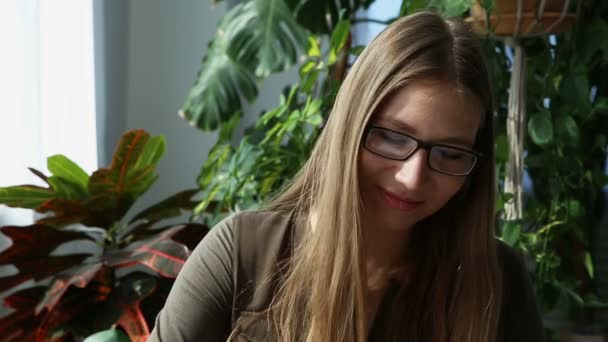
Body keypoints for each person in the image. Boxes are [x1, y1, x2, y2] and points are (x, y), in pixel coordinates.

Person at [149, 11, 544, 342]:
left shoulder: (497, 280)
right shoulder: (242, 256)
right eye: (391, 137)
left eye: (451, 153)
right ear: (349, 127)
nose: (412, 177)